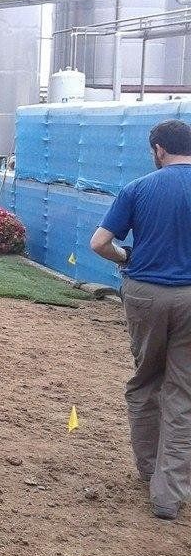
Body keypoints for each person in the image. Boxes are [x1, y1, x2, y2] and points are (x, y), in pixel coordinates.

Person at [90, 118, 191, 521]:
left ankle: (148, 470)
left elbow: (100, 243)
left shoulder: (138, 188)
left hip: (146, 295)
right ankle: (168, 494)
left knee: (146, 381)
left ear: (159, 150)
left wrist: (127, 256)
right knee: (183, 393)